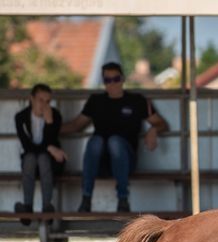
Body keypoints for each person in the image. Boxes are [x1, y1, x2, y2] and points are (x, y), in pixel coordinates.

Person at [61, 62, 169, 212]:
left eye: (116, 79)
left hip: (125, 163)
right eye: (107, 80)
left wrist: (153, 129)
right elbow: (76, 125)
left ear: (123, 79)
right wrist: (50, 129)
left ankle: (123, 199)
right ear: (103, 82)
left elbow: (162, 124)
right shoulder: (96, 101)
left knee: (115, 142)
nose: (112, 84)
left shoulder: (137, 101)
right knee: (96, 141)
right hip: (100, 164)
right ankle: (86, 198)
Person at [14, 84, 66, 225]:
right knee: (30, 158)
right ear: (31, 98)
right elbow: (27, 146)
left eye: (48, 101)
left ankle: (46, 207)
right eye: (40, 100)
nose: (44, 104)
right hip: (30, 164)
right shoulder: (21, 117)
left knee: (43, 158)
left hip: (50, 163)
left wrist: (49, 123)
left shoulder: (55, 116)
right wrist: (50, 148)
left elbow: (52, 140)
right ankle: (27, 207)